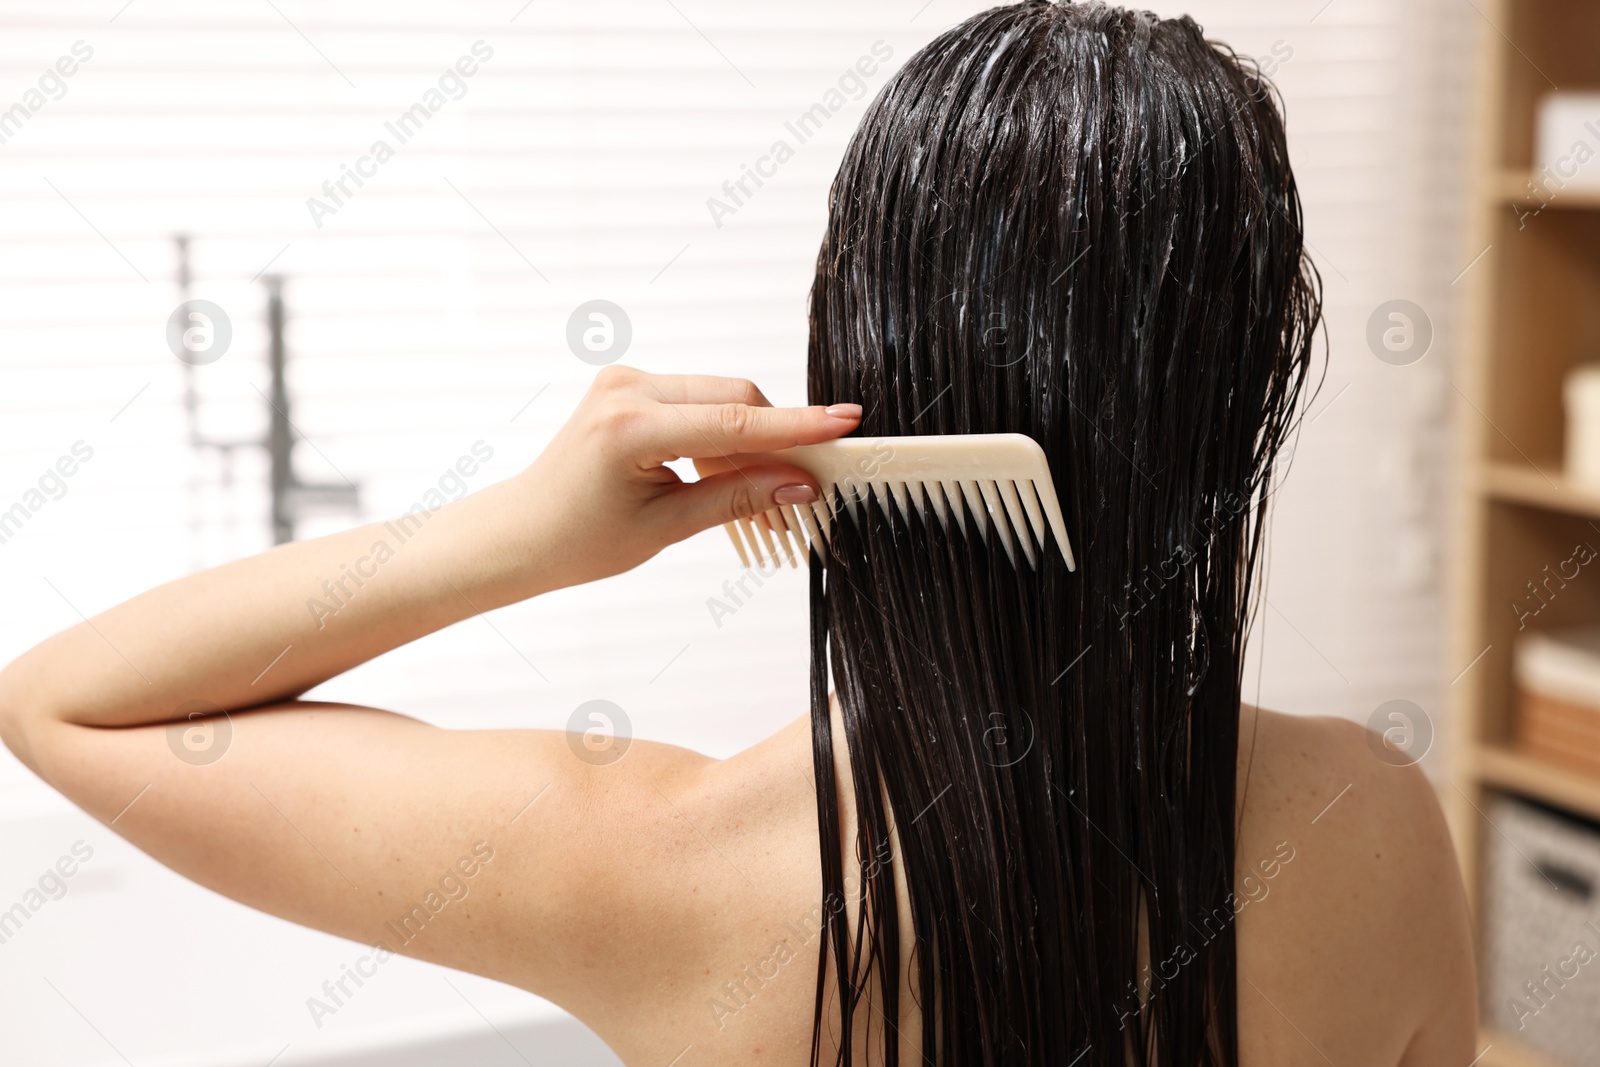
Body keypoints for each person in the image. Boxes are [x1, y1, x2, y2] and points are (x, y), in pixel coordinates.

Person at [0, 2, 1475, 1065]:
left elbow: (70, 704)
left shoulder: (648, 869)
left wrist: (533, 531)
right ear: (1242, 397)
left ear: (864, 354)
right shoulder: (1377, 834)